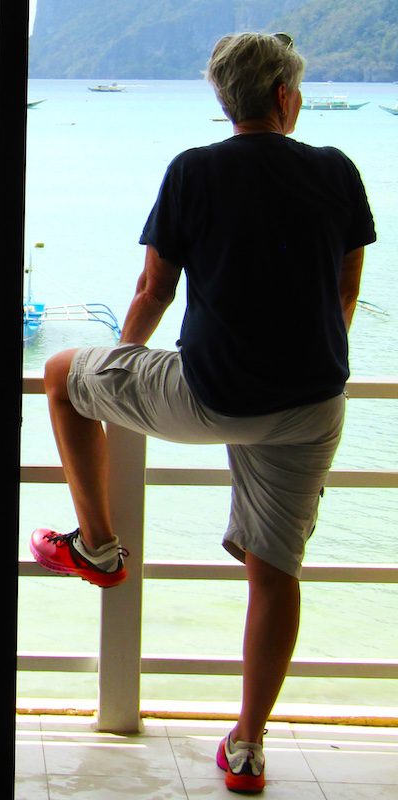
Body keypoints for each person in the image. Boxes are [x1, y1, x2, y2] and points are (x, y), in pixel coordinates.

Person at [30, 32, 375, 795]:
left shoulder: (194, 170)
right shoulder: (337, 171)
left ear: (226, 100)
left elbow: (154, 291)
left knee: (61, 377)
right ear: (286, 96)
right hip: (313, 401)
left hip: (208, 396)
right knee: (275, 569)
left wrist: (118, 364)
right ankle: (247, 748)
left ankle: (97, 547)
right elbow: (343, 295)